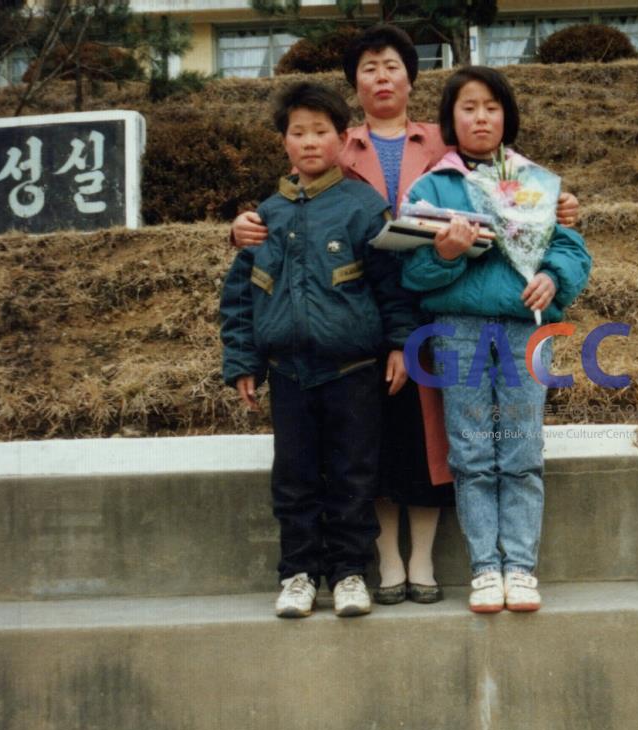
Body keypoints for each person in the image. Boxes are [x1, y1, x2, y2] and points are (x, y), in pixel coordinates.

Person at [229, 26, 582, 607]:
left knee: (434, 440)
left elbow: (527, 203)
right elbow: (289, 211)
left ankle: (430, 559)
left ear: (412, 76)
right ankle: (384, 560)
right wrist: (240, 226)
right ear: (354, 86)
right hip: (362, 312)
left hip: (438, 307)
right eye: (368, 68)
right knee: (373, 439)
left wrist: (562, 204)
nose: (381, 77)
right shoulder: (338, 144)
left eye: (391, 65)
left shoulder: (448, 142)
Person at [219, 82, 417, 619]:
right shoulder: (264, 216)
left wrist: (400, 345)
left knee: (355, 474)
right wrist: (243, 363)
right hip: (288, 373)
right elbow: (240, 295)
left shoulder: (363, 207)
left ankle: (351, 573)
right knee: (295, 477)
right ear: (283, 142)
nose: (309, 142)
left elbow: (392, 285)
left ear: (342, 138)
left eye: (321, 132)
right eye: (297, 132)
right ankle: (299, 575)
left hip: (354, 370)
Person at [401, 66, 592, 613]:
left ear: (507, 116)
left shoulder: (538, 183)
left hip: (523, 333)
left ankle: (522, 569)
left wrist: (553, 277)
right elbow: (411, 275)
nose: (480, 117)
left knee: (521, 447)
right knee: (471, 450)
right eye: (467, 107)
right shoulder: (432, 187)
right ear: (449, 120)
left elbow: (573, 249)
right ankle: (485, 568)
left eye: (490, 107)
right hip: (457, 332)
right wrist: (445, 254)